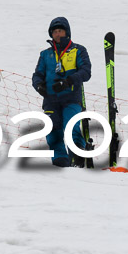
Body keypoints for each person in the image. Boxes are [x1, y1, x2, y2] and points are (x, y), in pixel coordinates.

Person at [32, 17, 91, 167]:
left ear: (67, 32)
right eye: (55, 32)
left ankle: (78, 157)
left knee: (71, 126)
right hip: (51, 99)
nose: (58, 34)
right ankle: (60, 161)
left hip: (71, 98)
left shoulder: (78, 50)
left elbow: (86, 72)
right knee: (52, 130)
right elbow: (37, 75)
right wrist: (39, 86)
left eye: (60, 31)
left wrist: (68, 81)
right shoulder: (45, 54)